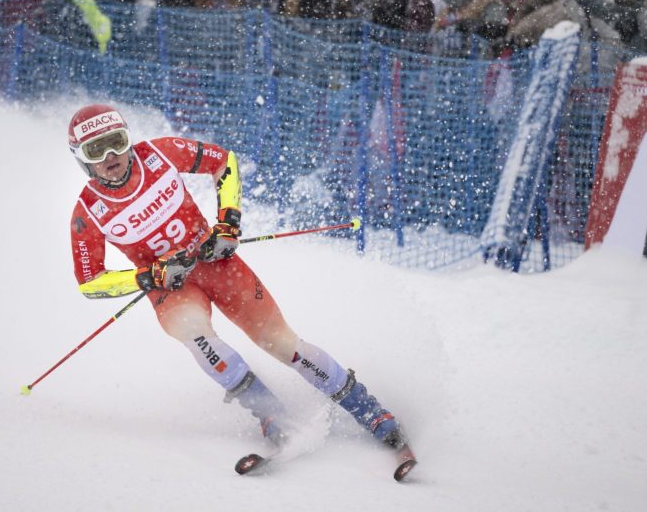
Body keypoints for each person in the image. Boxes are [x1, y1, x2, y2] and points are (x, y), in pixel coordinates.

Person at [66, 104, 417, 480]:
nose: (111, 157)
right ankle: (271, 415)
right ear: (81, 160)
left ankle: (372, 412)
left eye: (116, 143)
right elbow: (90, 282)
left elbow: (224, 161)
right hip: (173, 287)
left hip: (216, 263)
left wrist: (227, 222)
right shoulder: (88, 213)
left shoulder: (161, 154)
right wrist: (148, 276)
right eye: (96, 151)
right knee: (195, 334)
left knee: (281, 343)